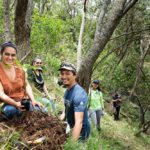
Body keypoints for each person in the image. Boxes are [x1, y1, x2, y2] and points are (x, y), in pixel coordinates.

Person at [0, 41, 41, 119]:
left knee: (41, 110)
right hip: (8, 104)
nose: (10, 58)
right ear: (1, 54)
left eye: (13, 55)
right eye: (7, 54)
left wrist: (33, 100)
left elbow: (27, 85)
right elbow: (1, 94)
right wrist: (16, 104)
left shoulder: (19, 69)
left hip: (23, 101)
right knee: (10, 111)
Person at [59, 62, 90, 141]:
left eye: (67, 74)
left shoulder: (79, 94)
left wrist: (72, 144)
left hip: (81, 133)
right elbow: (67, 107)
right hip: (71, 127)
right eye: (62, 74)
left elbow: (79, 122)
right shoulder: (67, 91)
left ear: (74, 75)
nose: (64, 76)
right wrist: (61, 117)